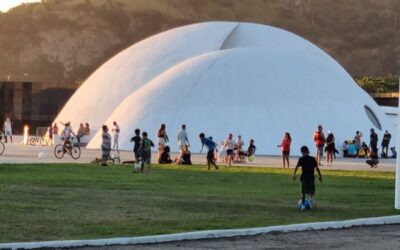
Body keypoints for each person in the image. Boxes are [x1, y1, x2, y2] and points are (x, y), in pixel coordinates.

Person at [293, 146, 322, 211]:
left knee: (303, 192)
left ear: (302, 152)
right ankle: (311, 199)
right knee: (312, 191)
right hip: (311, 177)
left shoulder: (301, 159)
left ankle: (303, 205)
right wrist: (320, 176)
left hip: (304, 177)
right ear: (308, 151)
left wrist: (294, 174)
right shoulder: (312, 159)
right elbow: (317, 168)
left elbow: (297, 167)